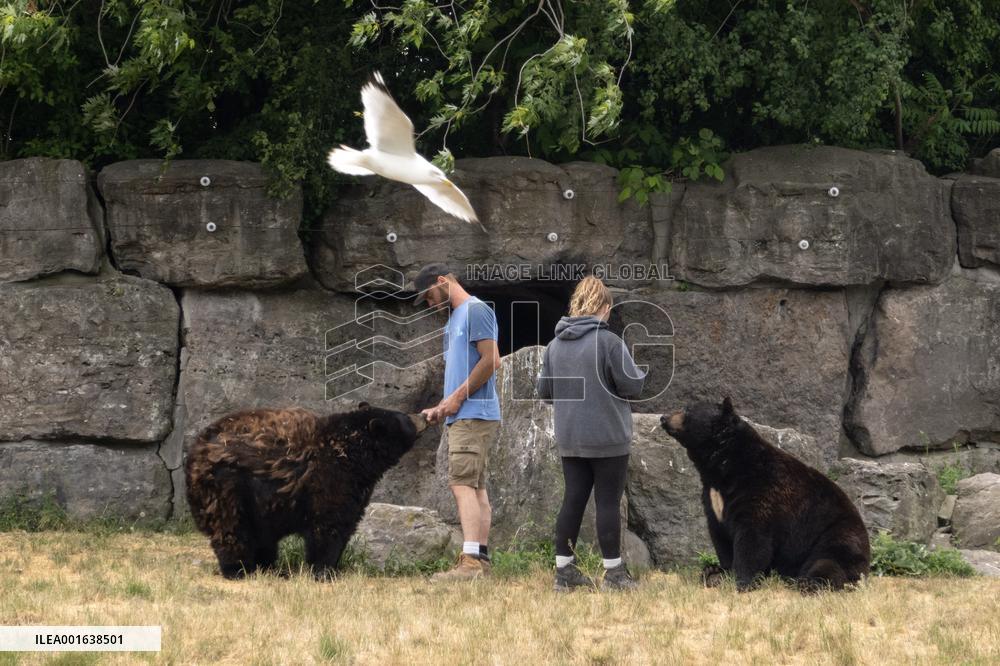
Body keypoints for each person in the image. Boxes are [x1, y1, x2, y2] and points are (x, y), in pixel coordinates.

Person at [536, 275, 646, 591]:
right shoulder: (609, 342)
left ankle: (564, 575)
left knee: (572, 500)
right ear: (605, 307)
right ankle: (614, 575)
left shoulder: (555, 346)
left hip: (571, 437)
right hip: (608, 436)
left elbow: (545, 392)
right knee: (608, 502)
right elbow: (632, 385)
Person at [416, 264, 502, 581]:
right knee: (476, 488)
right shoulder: (454, 320)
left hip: (473, 414)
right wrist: (442, 406)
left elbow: (491, 360)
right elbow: (460, 374)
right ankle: (481, 560)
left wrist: (457, 399)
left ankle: (469, 564)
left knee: (461, 484)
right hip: (462, 413)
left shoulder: (475, 310)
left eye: (428, 296)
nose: (429, 304)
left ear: (442, 282)